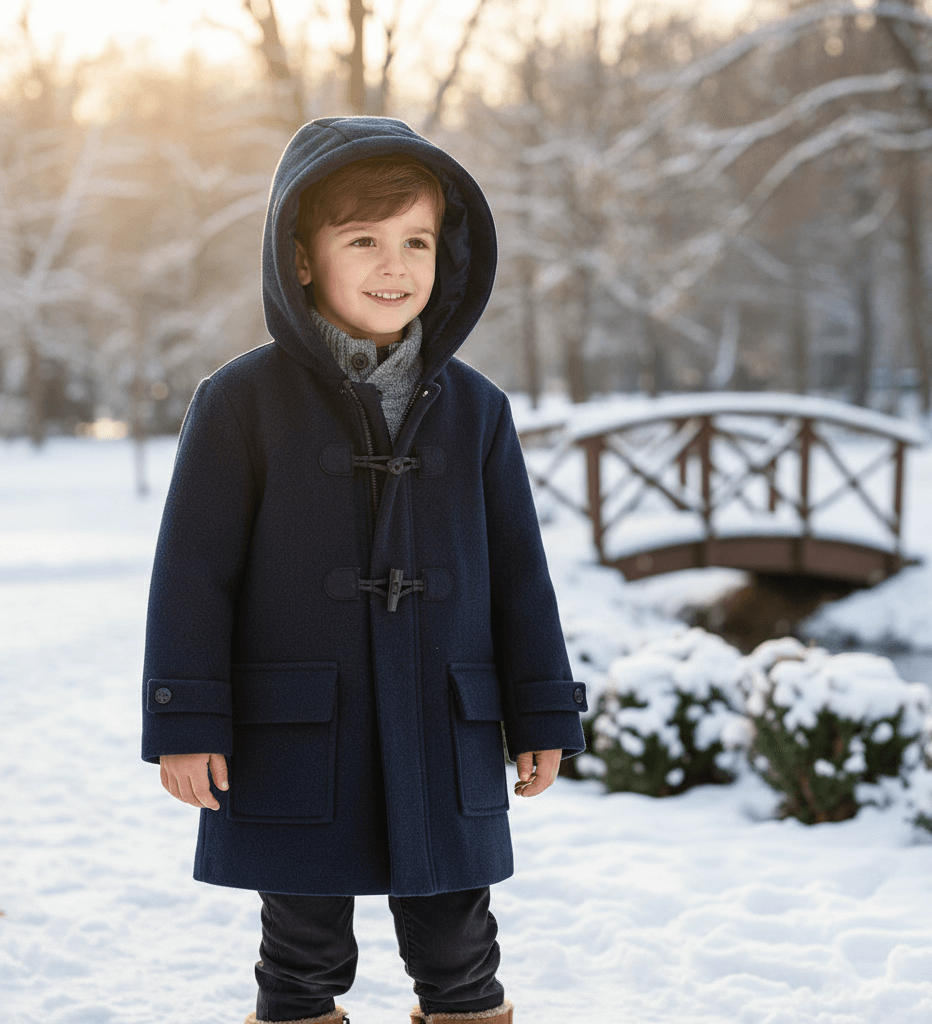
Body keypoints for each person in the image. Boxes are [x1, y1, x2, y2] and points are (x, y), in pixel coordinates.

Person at [141, 116, 587, 1024]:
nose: (397, 265)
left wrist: (542, 712)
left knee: (462, 952)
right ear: (301, 259)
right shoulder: (239, 403)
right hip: (300, 730)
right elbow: (193, 575)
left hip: (444, 723)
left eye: (417, 240)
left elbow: (519, 575)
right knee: (301, 952)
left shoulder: (478, 409)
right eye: (365, 241)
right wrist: (187, 721)